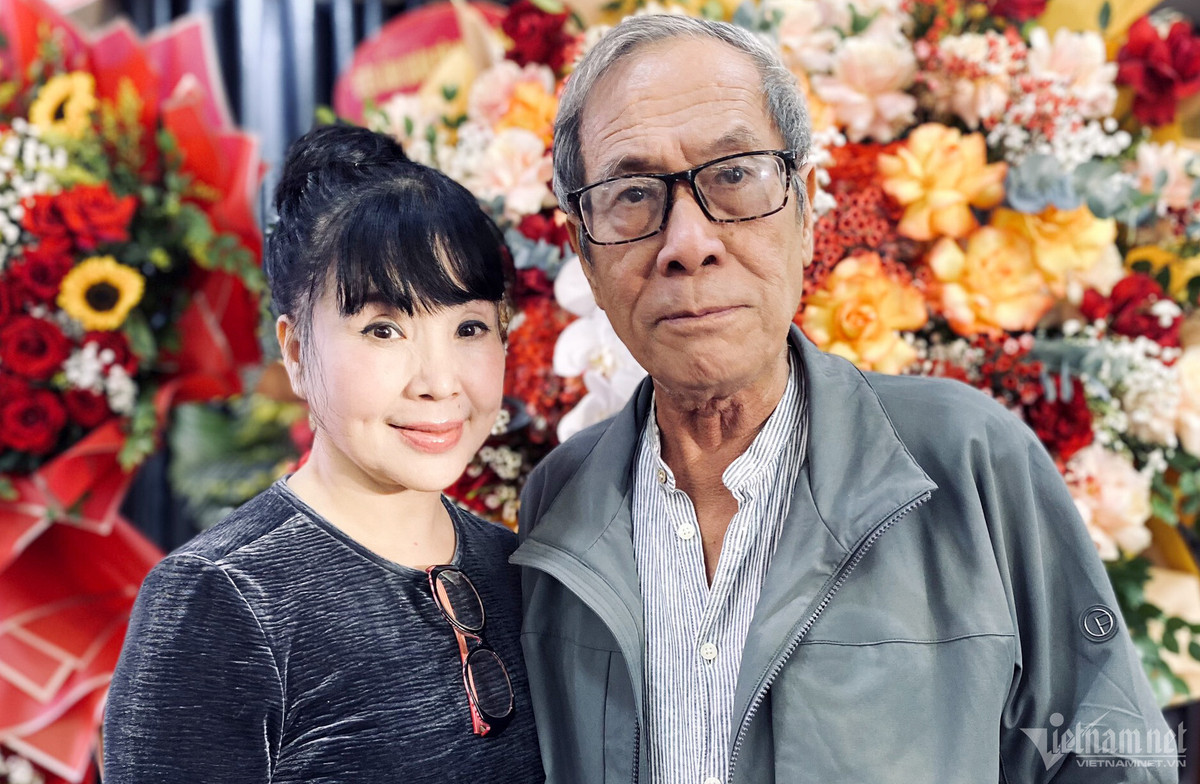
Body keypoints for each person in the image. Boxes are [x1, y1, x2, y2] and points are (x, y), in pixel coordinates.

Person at [513, 14, 1174, 784]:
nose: (688, 243)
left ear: (806, 209)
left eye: (734, 176)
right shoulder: (558, 504)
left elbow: (1113, 755)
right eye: (631, 194)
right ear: (584, 254)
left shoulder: (967, 461)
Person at [103, 124, 544, 783]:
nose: (439, 381)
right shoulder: (219, 599)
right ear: (296, 351)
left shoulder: (514, 568)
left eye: (469, 327)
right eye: (384, 329)